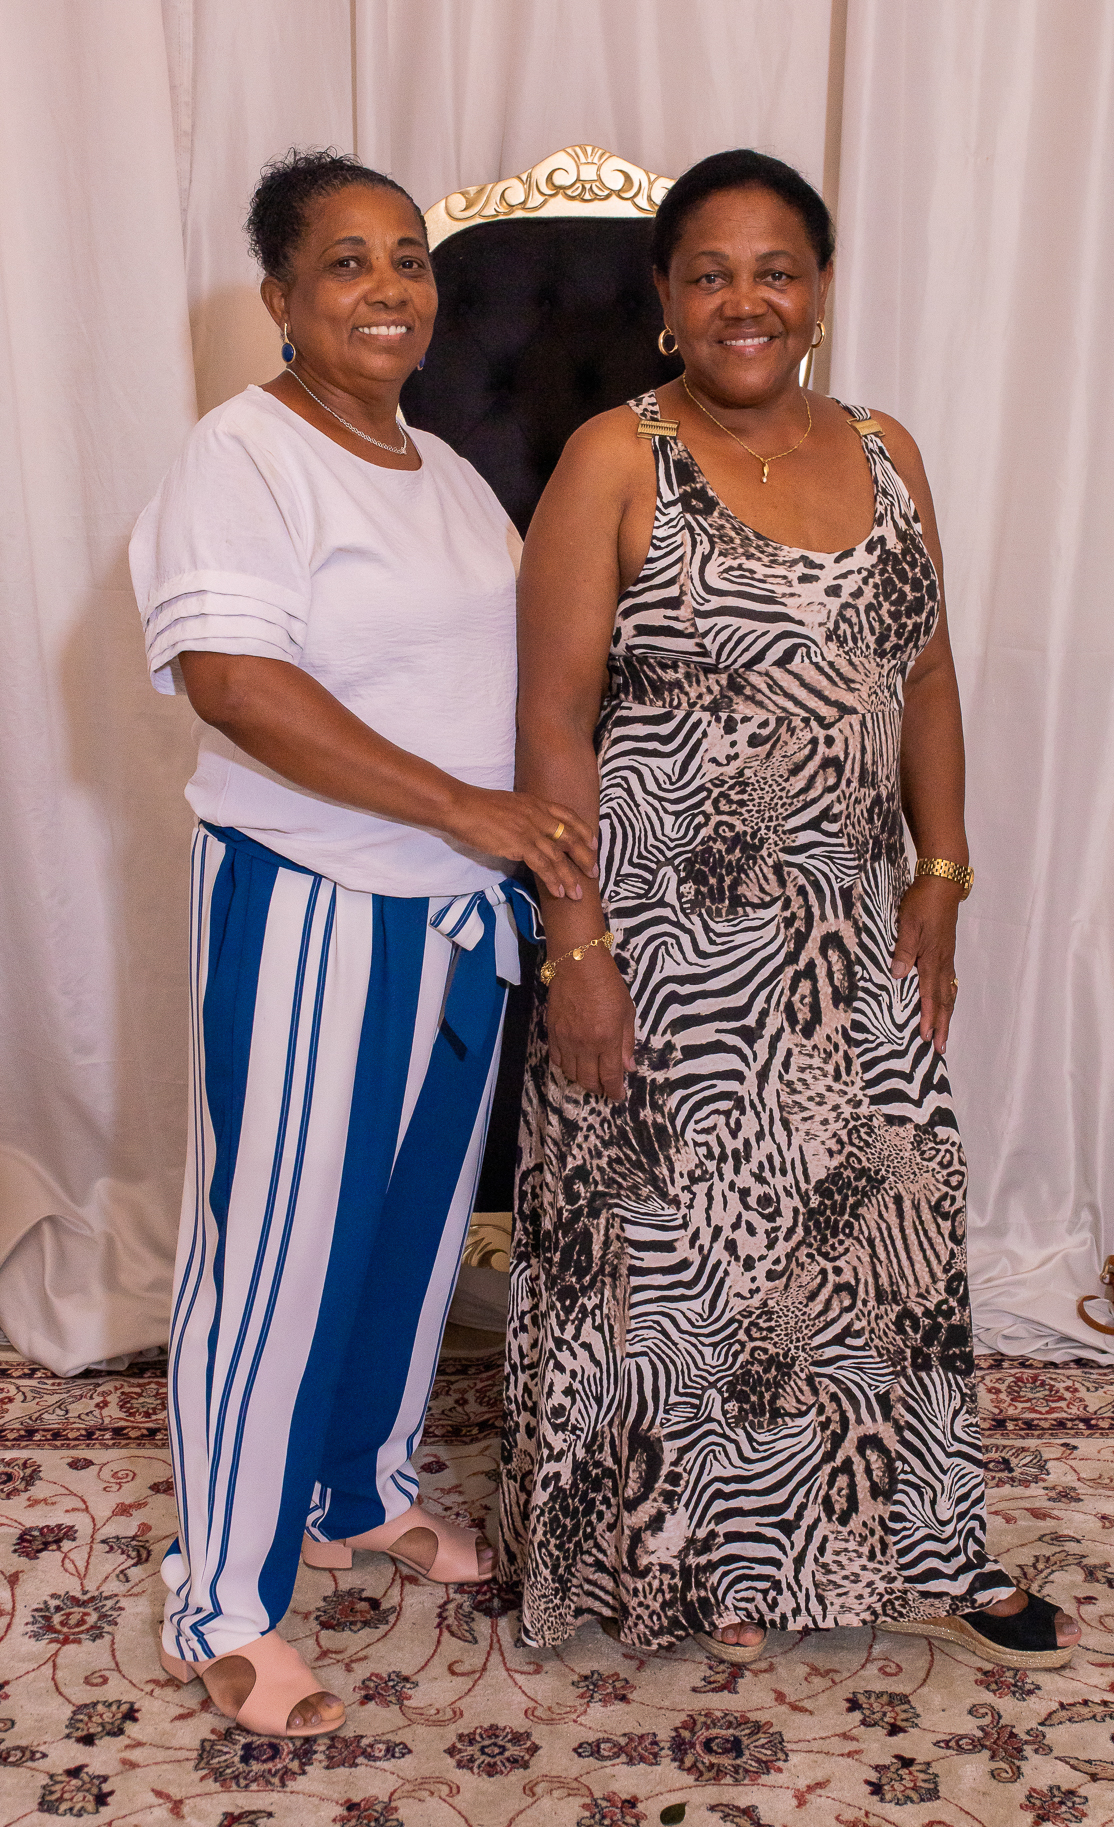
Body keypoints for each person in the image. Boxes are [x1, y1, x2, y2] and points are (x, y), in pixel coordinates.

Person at [500, 148, 1080, 1672]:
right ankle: (709, 1568)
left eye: (775, 271)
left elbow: (924, 675)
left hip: (842, 927)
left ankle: (921, 1545)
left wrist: (939, 876)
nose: (743, 301)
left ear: (818, 289)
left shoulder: (886, 452)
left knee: (886, 1225)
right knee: (689, 1268)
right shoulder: (613, 460)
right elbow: (549, 721)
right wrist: (576, 950)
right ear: (664, 298)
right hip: (662, 941)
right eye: (709, 274)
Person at [130, 149, 594, 1739]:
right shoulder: (243, 455)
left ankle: (355, 1491)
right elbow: (235, 684)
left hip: (454, 915)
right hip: (313, 898)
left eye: (407, 258)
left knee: (403, 1238)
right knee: (276, 1253)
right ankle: (222, 1597)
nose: (389, 287)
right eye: (346, 262)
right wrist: (463, 806)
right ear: (279, 296)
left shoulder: (442, 469)